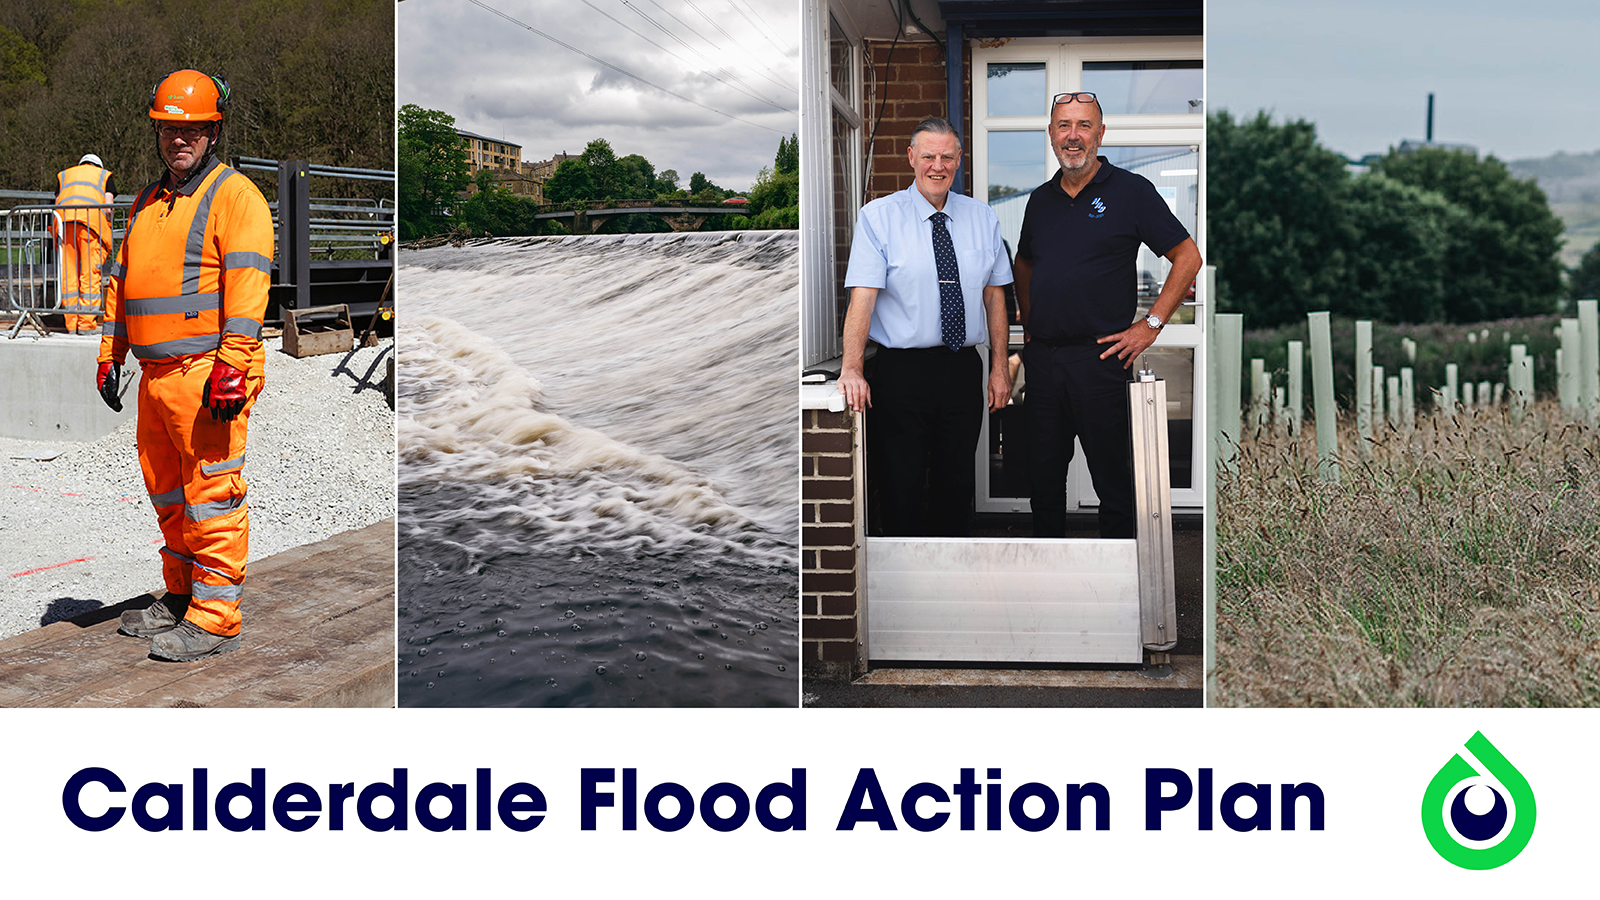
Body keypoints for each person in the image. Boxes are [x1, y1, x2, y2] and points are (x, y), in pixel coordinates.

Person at [97, 69, 273, 661]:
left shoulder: (235, 197)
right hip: (155, 377)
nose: (180, 139)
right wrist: (109, 353)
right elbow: (121, 286)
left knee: (210, 495)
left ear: (213, 132)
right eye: (170, 129)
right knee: (169, 494)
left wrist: (234, 365)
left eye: (192, 129)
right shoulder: (148, 201)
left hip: (206, 372)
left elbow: (249, 288)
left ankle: (216, 617)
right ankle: (181, 597)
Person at [1014, 92, 1203, 539]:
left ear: (1101, 134)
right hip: (1043, 360)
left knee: (1113, 482)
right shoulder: (1039, 201)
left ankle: (1121, 591)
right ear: (1051, 135)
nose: (1073, 136)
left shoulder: (1131, 192)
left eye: (1083, 126)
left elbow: (1187, 256)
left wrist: (1150, 325)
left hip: (1100, 360)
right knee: (1042, 481)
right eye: (1064, 126)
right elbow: (1024, 262)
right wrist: (1029, 317)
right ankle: (1050, 577)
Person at [838, 117, 1013, 537]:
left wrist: (1000, 367)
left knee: (956, 483)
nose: (938, 165)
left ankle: (948, 584)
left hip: (962, 368)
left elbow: (995, 297)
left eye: (947, 157)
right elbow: (863, 297)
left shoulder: (981, 217)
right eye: (929, 156)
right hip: (902, 372)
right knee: (901, 483)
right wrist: (851, 368)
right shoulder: (878, 218)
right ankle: (905, 589)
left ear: (958, 161)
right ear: (912, 158)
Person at [54, 154, 116, 334]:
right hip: (90, 224)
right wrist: (108, 225)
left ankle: (71, 324)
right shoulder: (104, 176)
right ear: (98, 165)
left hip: (64, 224)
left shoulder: (64, 175)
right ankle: (86, 325)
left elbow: (58, 199)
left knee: (68, 274)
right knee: (89, 274)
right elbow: (108, 206)